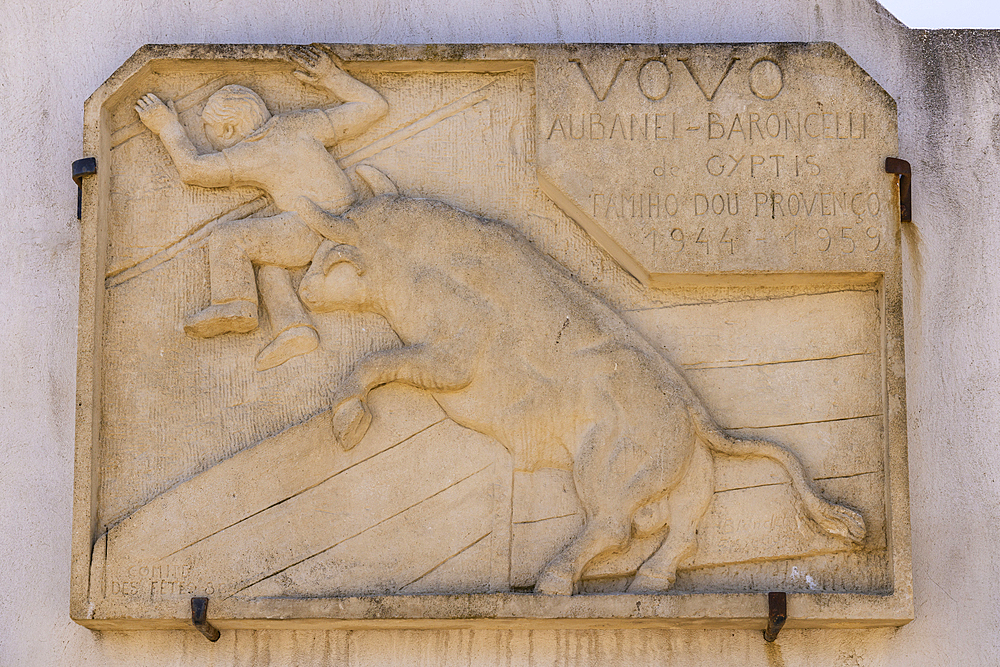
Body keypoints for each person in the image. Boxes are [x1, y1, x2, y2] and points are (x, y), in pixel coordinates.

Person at [135, 44, 388, 370]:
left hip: (312, 224)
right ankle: (294, 329)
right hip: (349, 217)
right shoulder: (299, 124)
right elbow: (373, 107)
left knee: (231, 237)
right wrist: (331, 77)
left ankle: (234, 304)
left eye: (211, 135)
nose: (213, 143)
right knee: (270, 264)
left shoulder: (251, 151)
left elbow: (194, 170)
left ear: (229, 129)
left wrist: (167, 126)